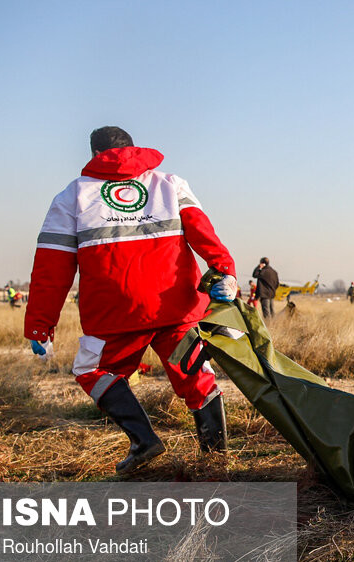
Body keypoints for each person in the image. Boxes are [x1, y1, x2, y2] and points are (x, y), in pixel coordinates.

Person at [25, 126, 237, 475]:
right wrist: (224, 269)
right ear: (133, 149)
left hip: (117, 315)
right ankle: (216, 460)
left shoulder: (72, 196)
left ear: (94, 155)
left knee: (92, 370)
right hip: (176, 306)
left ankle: (144, 440)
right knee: (197, 377)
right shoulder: (170, 183)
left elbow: (52, 267)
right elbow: (203, 232)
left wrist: (40, 323)